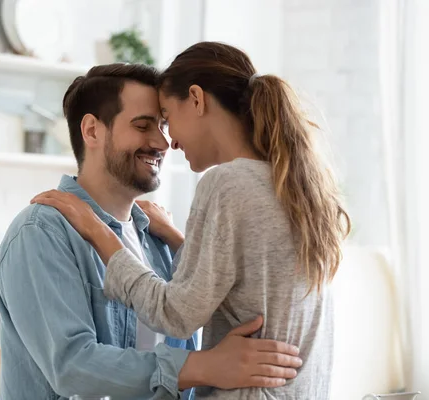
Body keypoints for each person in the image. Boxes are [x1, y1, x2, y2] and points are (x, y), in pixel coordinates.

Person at [31, 42, 351, 399]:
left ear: (196, 99)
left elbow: (176, 314)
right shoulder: (291, 183)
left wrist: (98, 232)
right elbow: (247, 282)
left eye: (166, 119)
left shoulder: (227, 183)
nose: (168, 142)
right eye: (146, 125)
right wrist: (177, 239)